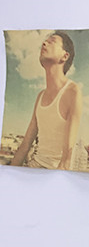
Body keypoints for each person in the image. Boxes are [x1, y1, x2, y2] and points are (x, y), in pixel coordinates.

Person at [10, 31, 82, 169]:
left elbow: (67, 158)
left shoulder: (73, 91)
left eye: (52, 41)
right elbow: (25, 145)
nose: (44, 43)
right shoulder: (40, 96)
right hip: (34, 165)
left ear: (65, 56)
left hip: (54, 171)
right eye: (45, 41)